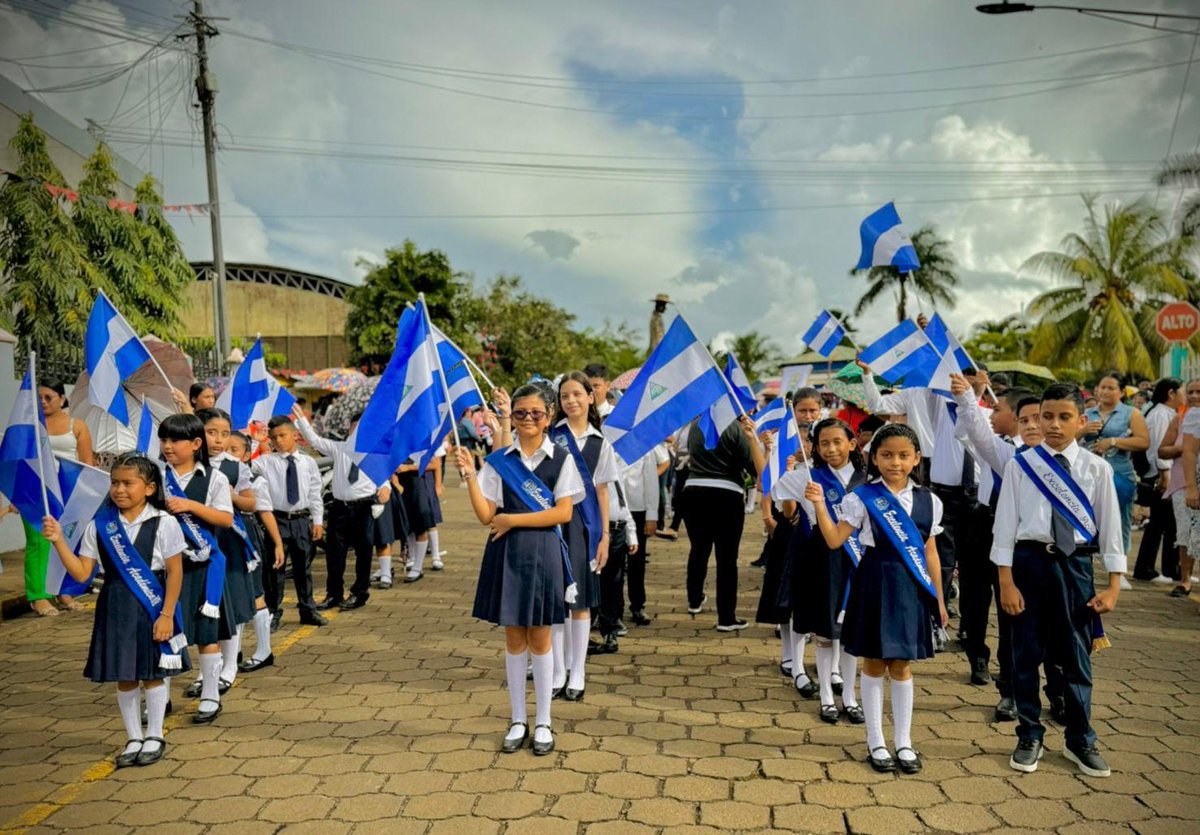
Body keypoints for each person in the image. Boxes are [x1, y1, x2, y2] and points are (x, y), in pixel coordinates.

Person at [992, 383, 1124, 778]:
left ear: (1081, 422)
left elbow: (1111, 529)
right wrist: (1006, 581)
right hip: (1029, 565)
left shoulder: (1095, 468)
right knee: (1025, 654)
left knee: (1075, 658)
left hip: (1076, 568)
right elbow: (1004, 527)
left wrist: (1114, 584)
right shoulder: (1022, 464)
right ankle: (1029, 732)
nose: (1053, 424)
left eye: (1064, 417)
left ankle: (1080, 738)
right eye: (1045, 416)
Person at [807, 423, 948, 774]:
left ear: (916, 458)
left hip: (910, 586)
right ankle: (876, 741)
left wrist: (940, 600)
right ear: (873, 457)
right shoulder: (861, 497)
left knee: (901, 664)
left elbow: (930, 552)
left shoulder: (930, 501)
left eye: (903, 455)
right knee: (873, 662)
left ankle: (904, 741)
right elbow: (835, 540)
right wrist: (821, 505)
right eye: (886, 455)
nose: (895, 462)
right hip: (874, 580)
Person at [457, 383, 583, 756]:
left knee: (541, 638)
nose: (528, 419)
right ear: (511, 416)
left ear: (549, 417)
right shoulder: (500, 461)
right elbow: (485, 516)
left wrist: (512, 519)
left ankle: (543, 720)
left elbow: (564, 513)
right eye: (521, 413)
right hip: (507, 552)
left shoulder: (561, 458)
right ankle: (517, 718)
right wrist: (468, 477)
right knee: (514, 638)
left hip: (543, 551)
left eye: (537, 413)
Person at [42, 453, 188, 768]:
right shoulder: (102, 525)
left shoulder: (164, 522)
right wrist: (58, 542)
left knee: (151, 673)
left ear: (149, 488)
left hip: (153, 604)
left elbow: (175, 572)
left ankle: (155, 734)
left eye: (127, 483)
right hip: (115, 605)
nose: (119, 489)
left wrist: (166, 615)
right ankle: (133, 736)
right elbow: (83, 574)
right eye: (114, 483)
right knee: (125, 674)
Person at [949, 374, 1042, 721]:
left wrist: (969, 398)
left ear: (1017, 416)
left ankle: (1010, 687)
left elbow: (978, 430)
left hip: (1016, 537)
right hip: (982, 525)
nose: (992, 412)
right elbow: (972, 431)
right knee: (974, 600)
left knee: (1010, 613)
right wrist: (967, 398)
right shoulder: (1000, 446)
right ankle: (977, 655)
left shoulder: (1023, 455)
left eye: (999, 408)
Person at [777, 419, 867, 725]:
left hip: (860, 560)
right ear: (815, 447)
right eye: (824, 443)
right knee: (825, 630)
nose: (831, 449)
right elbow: (774, 488)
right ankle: (827, 696)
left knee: (852, 631)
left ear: (852, 444)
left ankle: (851, 697)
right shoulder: (808, 477)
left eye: (837, 442)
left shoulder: (867, 480)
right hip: (822, 559)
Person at [159, 413, 235, 724]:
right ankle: (159, 696)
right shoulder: (155, 477)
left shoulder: (214, 478)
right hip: (165, 569)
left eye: (174, 440)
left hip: (204, 567)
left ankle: (210, 695)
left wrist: (190, 506)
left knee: (207, 633)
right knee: (163, 633)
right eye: (163, 440)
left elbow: (226, 519)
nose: (167, 446)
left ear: (195, 444)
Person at [551, 372, 616, 691]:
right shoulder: (551, 435)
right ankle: (558, 668)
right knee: (557, 596)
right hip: (553, 521)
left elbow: (603, 491)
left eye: (577, 393)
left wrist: (605, 536)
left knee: (581, 599)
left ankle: (578, 670)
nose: (571, 400)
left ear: (591, 397)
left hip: (586, 526)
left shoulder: (600, 442)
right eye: (564, 396)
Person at [293, 405, 391, 611]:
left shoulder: (374, 452)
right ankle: (334, 594)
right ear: (349, 430)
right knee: (335, 552)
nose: (358, 432)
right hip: (340, 507)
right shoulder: (340, 448)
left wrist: (385, 488)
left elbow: (383, 478)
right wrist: (301, 420)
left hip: (364, 506)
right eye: (355, 427)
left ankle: (359, 592)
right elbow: (315, 441)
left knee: (364, 552)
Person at [683, 414, 766, 631]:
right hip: (727, 493)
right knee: (727, 558)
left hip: (693, 490)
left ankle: (694, 600)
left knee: (698, 549)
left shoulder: (696, 423)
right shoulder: (736, 427)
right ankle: (726, 617)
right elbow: (751, 465)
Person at [196, 409, 259, 693]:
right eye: (211, 432)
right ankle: (207, 668)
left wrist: (230, 494)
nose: (219, 440)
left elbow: (250, 503)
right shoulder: (186, 465)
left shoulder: (235, 466)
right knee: (204, 604)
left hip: (228, 540)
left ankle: (230, 664)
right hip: (197, 542)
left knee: (229, 602)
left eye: (224, 434)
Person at [27, 380, 95, 616]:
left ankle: (64, 591)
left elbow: (87, 464)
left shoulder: (77, 426)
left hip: (68, 490)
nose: (43, 402)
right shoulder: (30, 426)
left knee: (68, 540)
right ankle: (38, 596)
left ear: (62, 399)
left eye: (48, 397)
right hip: (37, 491)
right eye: (39, 398)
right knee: (39, 542)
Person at [253, 415, 326, 628]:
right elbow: (244, 463)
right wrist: (257, 442)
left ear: (295, 435)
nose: (279, 441)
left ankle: (308, 609)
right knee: (275, 568)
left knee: (304, 567)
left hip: (301, 519)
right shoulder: (266, 462)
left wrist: (318, 520)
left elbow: (315, 492)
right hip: (277, 520)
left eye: (283, 436)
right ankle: (273, 611)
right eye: (274, 437)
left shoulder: (308, 462)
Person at [226, 430, 286, 668]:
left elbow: (264, 512)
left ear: (246, 455)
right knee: (232, 594)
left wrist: (278, 543)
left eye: (235, 450)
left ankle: (264, 651)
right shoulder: (212, 475)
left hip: (246, 536)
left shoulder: (254, 480)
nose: (229, 455)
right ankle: (233, 653)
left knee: (254, 592)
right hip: (223, 537)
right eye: (225, 449)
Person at [1082, 372, 1149, 561]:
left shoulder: (1131, 413)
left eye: (1110, 388)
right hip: (1089, 473)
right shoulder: (1087, 413)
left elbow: (1143, 441)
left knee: (1119, 519)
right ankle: (1092, 560)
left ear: (1121, 392)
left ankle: (1118, 563)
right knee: (1090, 517)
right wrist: (1083, 430)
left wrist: (1113, 441)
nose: (1104, 391)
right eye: (1102, 387)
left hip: (1119, 473)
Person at [1132, 378, 1183, 584]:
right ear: (1171, 393)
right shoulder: (1161, 415)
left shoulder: (1165, 413)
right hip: (1162, 476)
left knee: (1167, 523)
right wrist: (1165, 475)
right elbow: (1159, 449)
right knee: (1162, 524)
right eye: (1183, 391)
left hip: (1164, 475)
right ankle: (1149, 568)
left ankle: (1169, 569)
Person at [1169, 379, 1200, 597]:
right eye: (1191, 392)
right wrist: (1192, 488)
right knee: (1188, 533)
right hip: (1190, 482)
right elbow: (1189, 453)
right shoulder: (1193, 417)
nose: (1195, 396)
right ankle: (1185, 579)